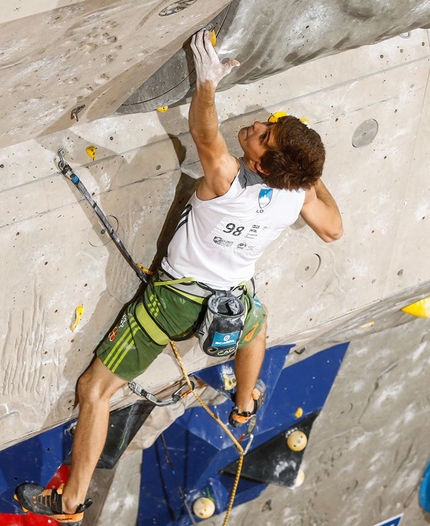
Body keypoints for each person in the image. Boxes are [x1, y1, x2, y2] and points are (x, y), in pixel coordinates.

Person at [15, 29, 343, 525]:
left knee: (94, 391)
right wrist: (307, 174)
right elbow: (334, 229)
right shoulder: (296, 197)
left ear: (258, 162)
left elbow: (205, 134)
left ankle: (70, 503)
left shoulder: (227, 181)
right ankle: (243, 405)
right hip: (231, 300)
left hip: (174, 302)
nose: (256, 124)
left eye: (263, 134)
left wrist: (206, 83)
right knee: (255, 322)